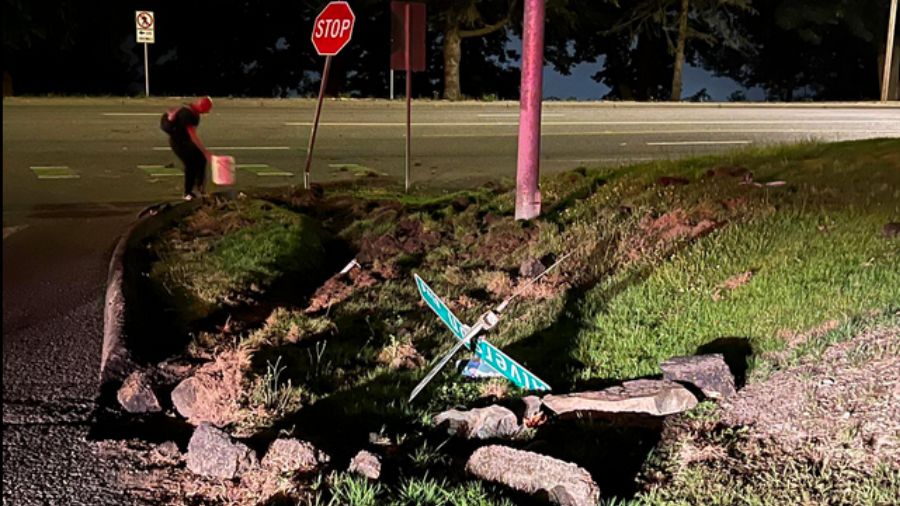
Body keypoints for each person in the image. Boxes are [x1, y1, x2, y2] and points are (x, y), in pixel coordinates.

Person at [161, 97, 213, 200]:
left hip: (184, 140)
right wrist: (205, 151)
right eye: (207, 109)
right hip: (178, 142)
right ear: (202, 106)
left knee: (201, 160)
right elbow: (193, 135)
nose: (208, 111)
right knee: (191, 165)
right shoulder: (189, 115)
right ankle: (187, 192)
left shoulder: (192, 111)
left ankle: (200, 188)